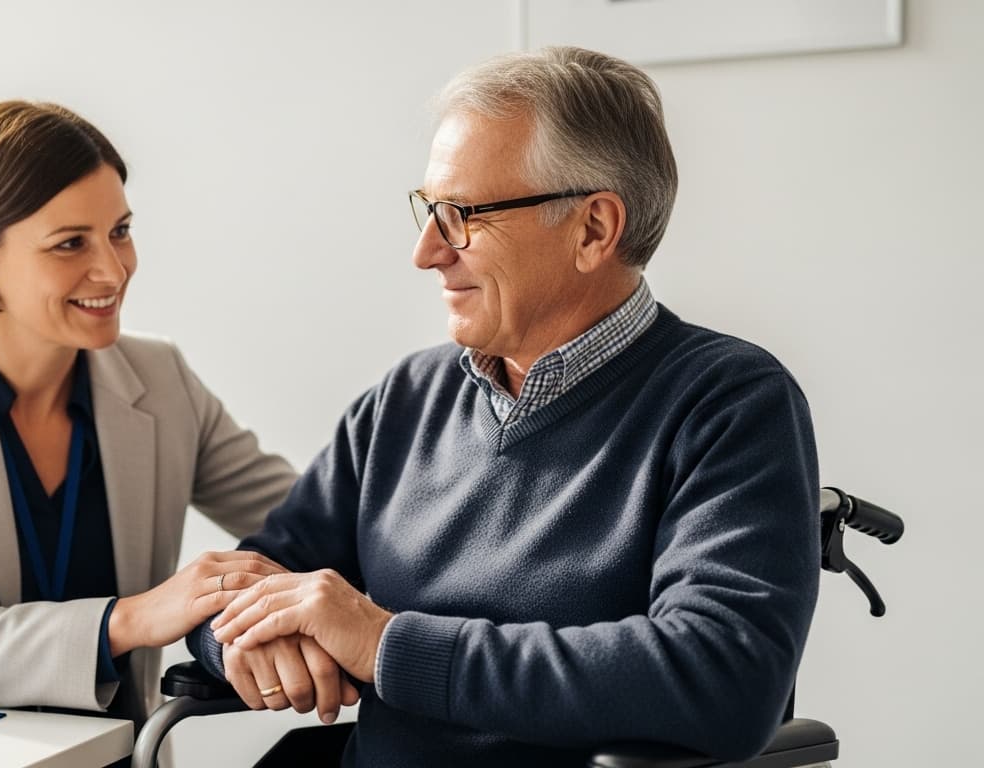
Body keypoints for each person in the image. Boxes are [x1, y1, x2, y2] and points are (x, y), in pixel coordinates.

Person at [192, 47, 820, 766]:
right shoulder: (405, 400)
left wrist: (384, 643)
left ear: (593, 229)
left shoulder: (728, 403)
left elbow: (721, 678)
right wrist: (242, 641)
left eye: (461, 215)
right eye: (429, 210)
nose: (427, 252)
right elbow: (245, 580)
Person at [0, 101, 313, 731]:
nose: (113, 269)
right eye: (70, 243)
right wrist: (134, 617)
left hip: (102, 748)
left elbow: (312, 526)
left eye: (120, 231)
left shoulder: (160, 380)